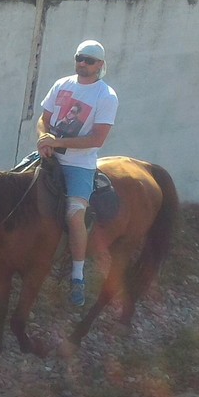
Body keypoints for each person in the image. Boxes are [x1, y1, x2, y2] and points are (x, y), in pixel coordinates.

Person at [36, 39, 117, 306]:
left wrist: (56, 143)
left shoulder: (106, 96)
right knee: (12, 182)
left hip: (79, 165)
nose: (83, 63)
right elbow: (43, 119)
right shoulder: (62, 84)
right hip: (49, 155)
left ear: (100, 65)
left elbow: (97, 139)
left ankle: (78, 275)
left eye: (89, 60)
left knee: (74, 214)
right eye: (80, 57)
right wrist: (43, 139)